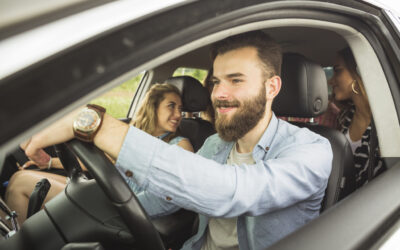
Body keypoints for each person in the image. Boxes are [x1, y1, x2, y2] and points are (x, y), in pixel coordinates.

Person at [20, 31, 332, 249]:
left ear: (272, 87)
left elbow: (231, 191)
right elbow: (164, 199)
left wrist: (96, 124)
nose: (219, 94)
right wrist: (99, 204)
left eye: (236, 80)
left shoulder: (311, 151)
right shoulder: (215, 146)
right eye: (215, 82)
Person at [5, 83, 193, 224]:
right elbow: (97, 162)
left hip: (120, 205)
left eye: (180, 109)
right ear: (153, 106)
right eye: (171, 106)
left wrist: (123, 209)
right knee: (17, 178)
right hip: (103, 190)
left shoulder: (180, 144)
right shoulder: (131, 134)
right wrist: (48, 163)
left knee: (21, 185)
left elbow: (172, 193)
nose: (178, 114)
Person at [329, 47, 386, 188]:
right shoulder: (343, 117)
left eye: (337, 70)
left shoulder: (388, 124)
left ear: (359, 72)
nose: (331, 81)